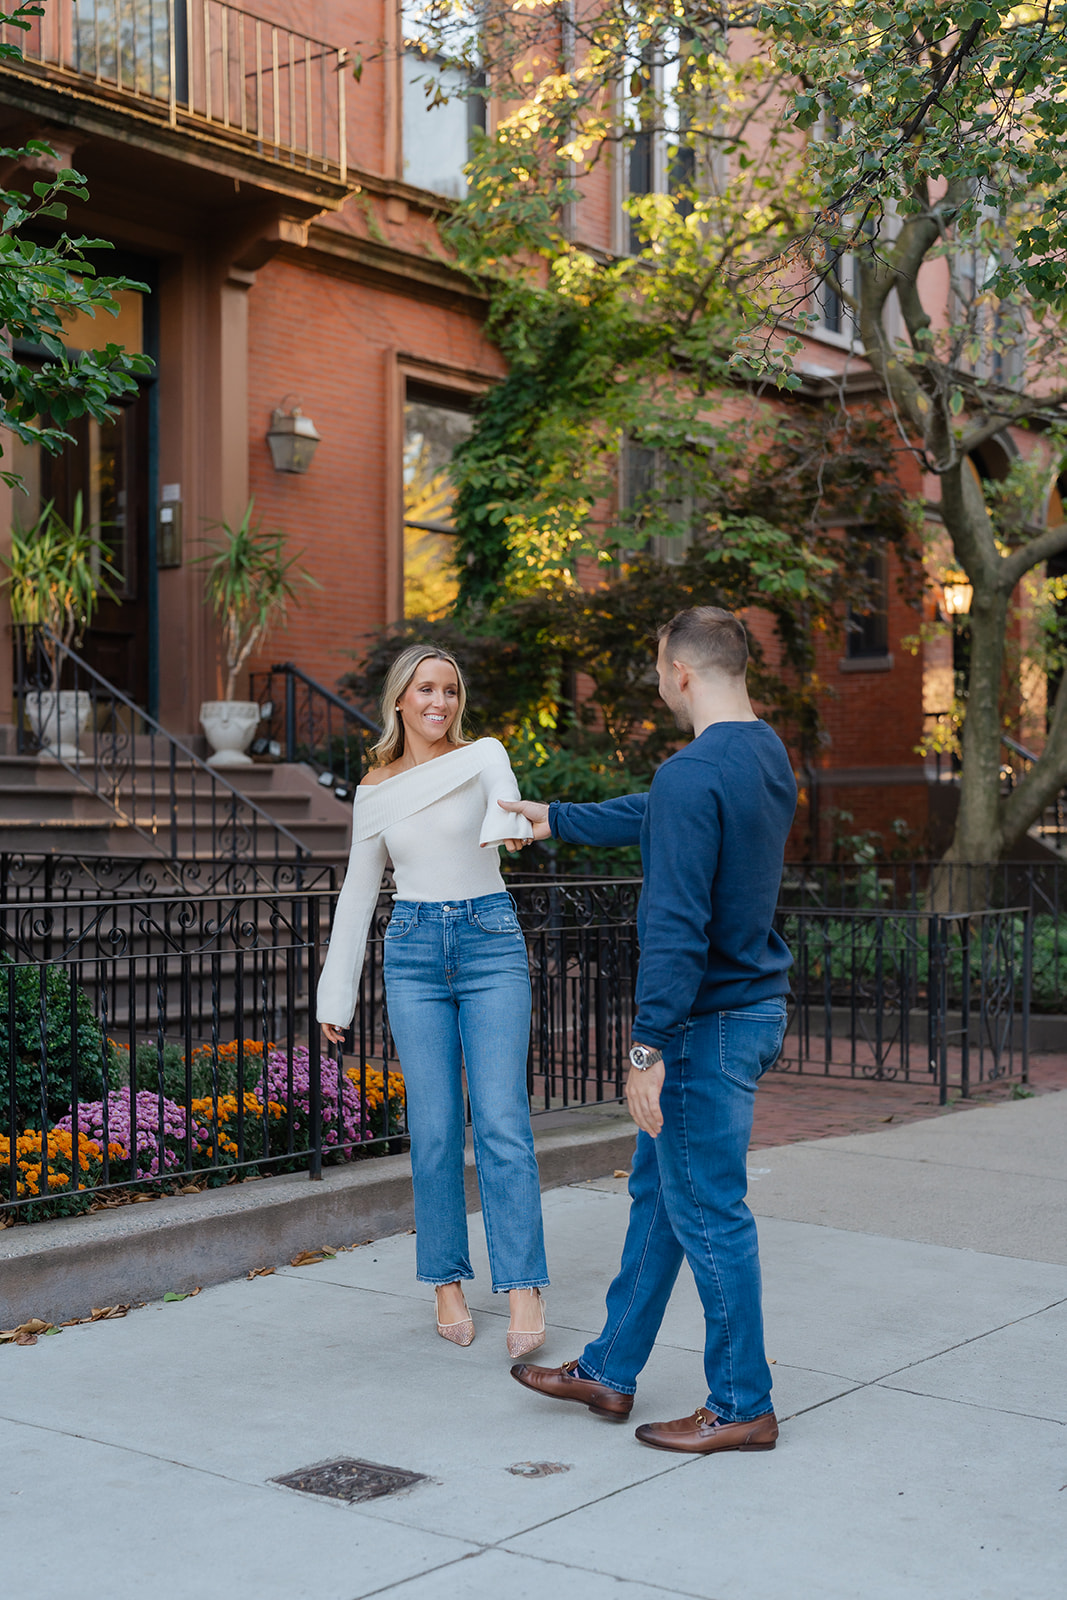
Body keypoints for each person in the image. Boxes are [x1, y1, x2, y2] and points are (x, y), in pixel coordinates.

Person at [499, 605, 796, 1453]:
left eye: (660, 671)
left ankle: (742, 1405)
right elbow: (659, 809)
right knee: (663, 1198)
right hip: (752, 1009)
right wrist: (554, 816)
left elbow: (674, 926)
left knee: (710, 1213)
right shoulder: (762, 756)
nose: (660, 683)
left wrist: (645, 1049)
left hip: (704, 1025)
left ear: (681, 672)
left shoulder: (689, 774)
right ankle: (609, 1368)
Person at [317, 644, 549, 1357]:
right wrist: (336, 992)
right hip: (414, 952)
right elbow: (359, 892)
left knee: (504, 1123)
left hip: (489, 940)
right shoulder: (376, 789)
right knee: (437, 1131)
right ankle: (446, 1282)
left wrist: (504, 826)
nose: (438, 702)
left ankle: (522, 1288)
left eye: (449, 689)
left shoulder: (483, 755)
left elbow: (506, 804)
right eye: (425, 689)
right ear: (399, 699)